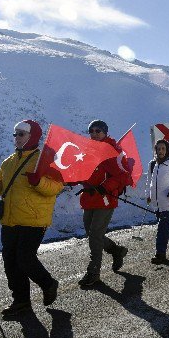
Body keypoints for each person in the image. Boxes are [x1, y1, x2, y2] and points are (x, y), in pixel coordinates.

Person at [0, 120, 63, 316]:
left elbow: (56, 187)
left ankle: (48, 283)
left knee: (25, 258)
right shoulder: (9, 162)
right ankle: (21, 301)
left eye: (21, 133)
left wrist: (38, 182)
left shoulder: (45, 159)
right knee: (10, 261)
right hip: (11, 219)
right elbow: (2, 187)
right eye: (15, 134)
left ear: (33, 136)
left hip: (34, 219)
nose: (17, 137)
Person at [74, 120, 130, 286]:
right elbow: (82, 171)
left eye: (98, 131)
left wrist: (105, 186)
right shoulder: (88, 150)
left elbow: (123, 175)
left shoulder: (112, 151)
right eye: (91, 131)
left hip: (105, 198)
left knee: (95, 235)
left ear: (105, 132)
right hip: (89, 197)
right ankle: (117, 250)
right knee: (92, 234)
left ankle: (93, 272)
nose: (94, 134)